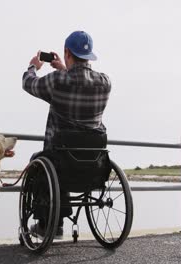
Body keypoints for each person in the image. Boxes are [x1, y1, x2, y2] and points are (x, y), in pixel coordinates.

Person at [22, 31, 111, 239]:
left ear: (67, 52)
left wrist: (33, 66)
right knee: (62, 160)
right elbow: (80, 83)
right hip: (93, 160)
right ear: (89, 56)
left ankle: (49, 225)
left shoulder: (57, 81)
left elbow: (28, 83)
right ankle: (58, 223)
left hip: (61, 160)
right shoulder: (105, 82)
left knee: (38, 161)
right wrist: (65, 67)